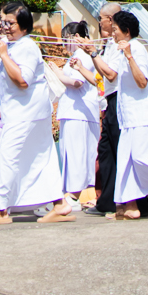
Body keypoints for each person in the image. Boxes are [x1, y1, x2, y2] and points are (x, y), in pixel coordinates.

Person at [0, 2, 69, 224]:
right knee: (42, 157)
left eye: (10, 23)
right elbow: (8, 83)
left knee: (7, 156)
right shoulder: (15, 46)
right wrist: (1, 109)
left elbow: (22, 80)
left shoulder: (26, 47)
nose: (5, 27)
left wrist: (4, 55)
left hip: (26, 113)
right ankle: (60, 205)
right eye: (3, 22)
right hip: (24, 111)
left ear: (24, 26)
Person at [96, 7, 148, 220]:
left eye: (116, 30)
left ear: (127, 31)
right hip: (128, 118)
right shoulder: (123, 51)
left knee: (143, 158)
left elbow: (142, 82)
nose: (113, 33)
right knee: (125, 161)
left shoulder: (136, 49)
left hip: (143, 116)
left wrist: (129, 56)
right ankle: (128, 207)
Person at [90, 2, 148, 218]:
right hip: (114, 103)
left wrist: (93, 53)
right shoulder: (114, 44)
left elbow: (117, 76)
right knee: (109, 152)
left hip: (124, 106)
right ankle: (113, 202)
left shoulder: (129, 47)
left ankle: (136, 204)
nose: (102, 23)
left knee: (125, 154)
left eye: (104, 19)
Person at [51, 21, 101, 216]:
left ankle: (74, 194)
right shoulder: (76, 56)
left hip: (80, 113)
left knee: (77, 154)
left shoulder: (83, 56)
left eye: (67, 39)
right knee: (71, 153)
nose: (65, 43)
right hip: (72, 112)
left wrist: (56, 72)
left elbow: (77, 82)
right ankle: (71, 193)